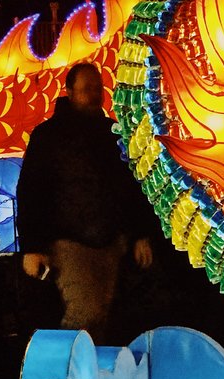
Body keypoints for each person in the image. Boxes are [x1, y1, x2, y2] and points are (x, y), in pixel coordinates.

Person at [16, 62, 153, 343]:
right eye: (86, 89)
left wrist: (138, 234)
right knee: (84, 313)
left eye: (97, 88)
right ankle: (70, 376)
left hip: (111, 240)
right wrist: (33, 246)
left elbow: (128, 186)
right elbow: (31, 190)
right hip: (70, 240)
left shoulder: (111, 133)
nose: (94, 95)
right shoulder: (49, 136)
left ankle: (92, 374)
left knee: (105, 314)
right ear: (70, 91)